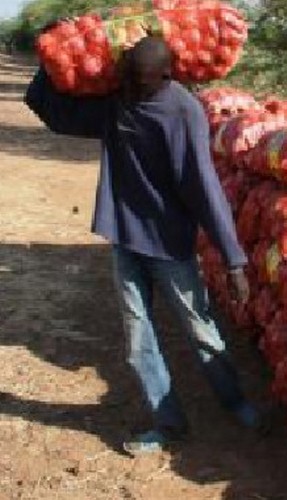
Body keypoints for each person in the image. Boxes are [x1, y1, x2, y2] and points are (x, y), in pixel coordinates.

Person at [24, 35, 264, 454]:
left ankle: (234, 400)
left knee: (199, 327)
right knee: (138, 339)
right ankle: (167, 421)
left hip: (169, 242)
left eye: (142, 81)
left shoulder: (184, 111)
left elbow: (204, 187)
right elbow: (56, 115)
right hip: (125, 236)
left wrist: (234, 261)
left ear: (167, 75)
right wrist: (49, 58)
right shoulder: (119, 102)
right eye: (130, 79)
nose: (134, 88)